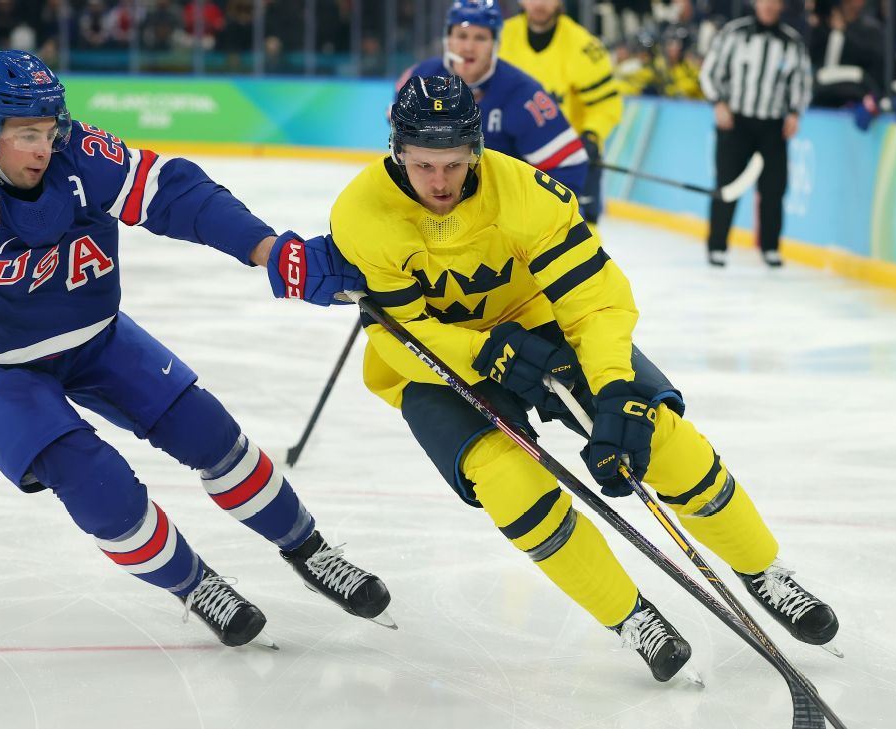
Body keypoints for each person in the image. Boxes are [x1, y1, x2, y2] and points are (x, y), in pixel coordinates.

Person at [0, 50, 392, 649]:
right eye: (26, 135)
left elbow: (176, 194)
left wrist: (269, 249)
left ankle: (310, 550)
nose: (45, 148)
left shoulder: (81, 153)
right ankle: (196, 586)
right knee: (98, 485)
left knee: (211, 433)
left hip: (88, 335)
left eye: (51, 129)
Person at [328, 74, 840, 682]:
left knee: (657, 433)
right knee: (509, 482)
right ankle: (631, 617)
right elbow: (401, 334)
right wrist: (486, 352)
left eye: (454, 165)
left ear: (477, 151)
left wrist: (617, 390)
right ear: (397, 152)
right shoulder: (360, 214)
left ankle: (763, 570)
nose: (439, 183)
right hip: (437, 362)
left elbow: (592, 300)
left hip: (537, 323)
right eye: (422, 166)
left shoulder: (525, 193)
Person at [396, 0, 589, 200]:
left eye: (480, 38)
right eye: (462, 36)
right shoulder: (421, 78)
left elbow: (569, 167)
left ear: (495, 44)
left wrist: (533, 211)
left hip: (503, 205)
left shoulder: (522, 93)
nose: (468, 47)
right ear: (448, 40)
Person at [699, 0, 810, 268]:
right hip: (735, 122)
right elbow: (709, 73)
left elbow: (802, 81)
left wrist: (795, 112)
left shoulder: (792, 42)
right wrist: (718, 103)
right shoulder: (734, 33)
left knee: (774, 189)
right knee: (727, 185)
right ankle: (717, 246)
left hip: (772, 126)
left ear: (782, 6)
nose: (769, 5)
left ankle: (770, 247)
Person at [499, 0, 620, 227]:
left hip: (569, 158)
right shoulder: (499, 38)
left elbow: (605, 105)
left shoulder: (584, 46)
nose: (539, 3)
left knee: (581, 234)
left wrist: (592, 135)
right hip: (512, 158)